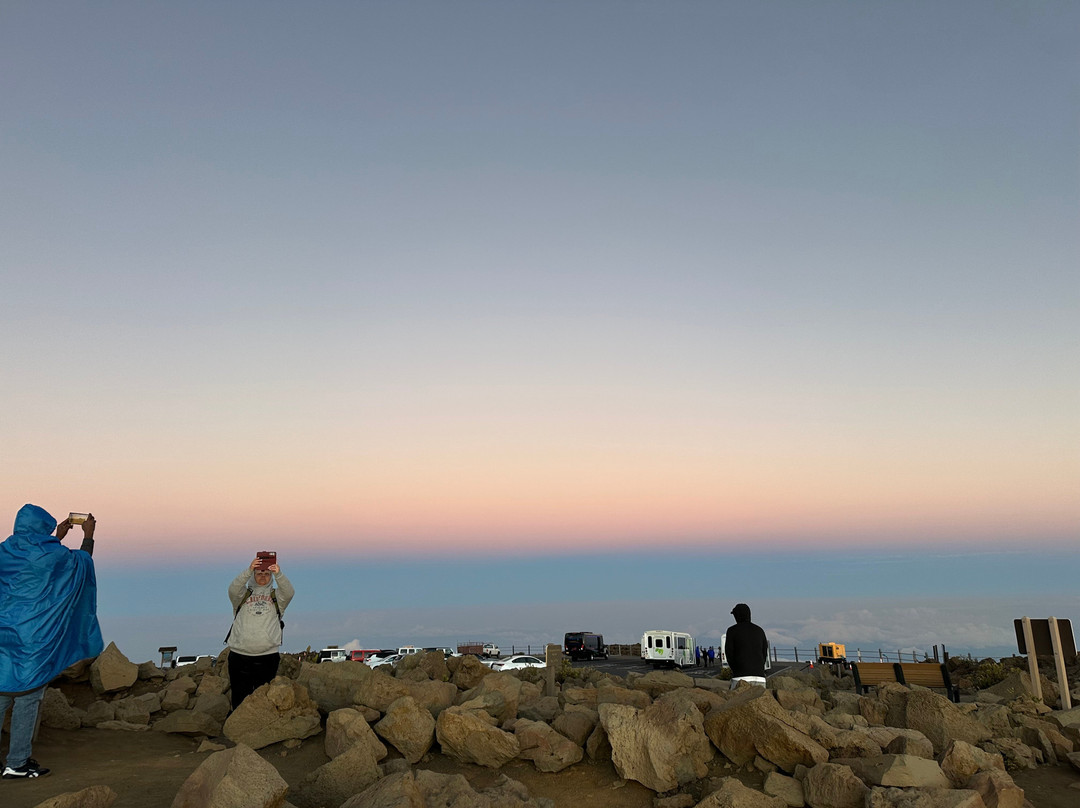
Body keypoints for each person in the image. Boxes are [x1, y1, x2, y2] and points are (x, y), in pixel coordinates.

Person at [0, 505, 103, 779]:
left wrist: (56, 537)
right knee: (27, 699)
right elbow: (80, 564)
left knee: (0, 696)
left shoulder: (4, 551)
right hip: (33, 640)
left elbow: (35, 560)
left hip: (3, 637)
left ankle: (15, 761)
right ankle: (17, 763)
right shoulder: (52, 555)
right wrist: (88, 535)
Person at [225, 556, 294, 710]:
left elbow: (289, 592)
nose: (263, 576)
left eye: (266, 574)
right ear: (253, 576)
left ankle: (260, 730)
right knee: (239, 696)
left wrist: (278, 573)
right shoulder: (242, 595)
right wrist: (248, 570)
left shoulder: (277, 597)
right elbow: (233, 589)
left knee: (263, 698)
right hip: (239, 655)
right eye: (259, 573)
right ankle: (238, 729)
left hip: (267, 656)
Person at [724, 603, 769, 689]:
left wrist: (736, 670)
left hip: (740, 676)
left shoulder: (732, 631)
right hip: (759, 676)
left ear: (737, 615)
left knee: (738, 702)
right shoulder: (759, 630)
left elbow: (729, 653)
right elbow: (764, 652)